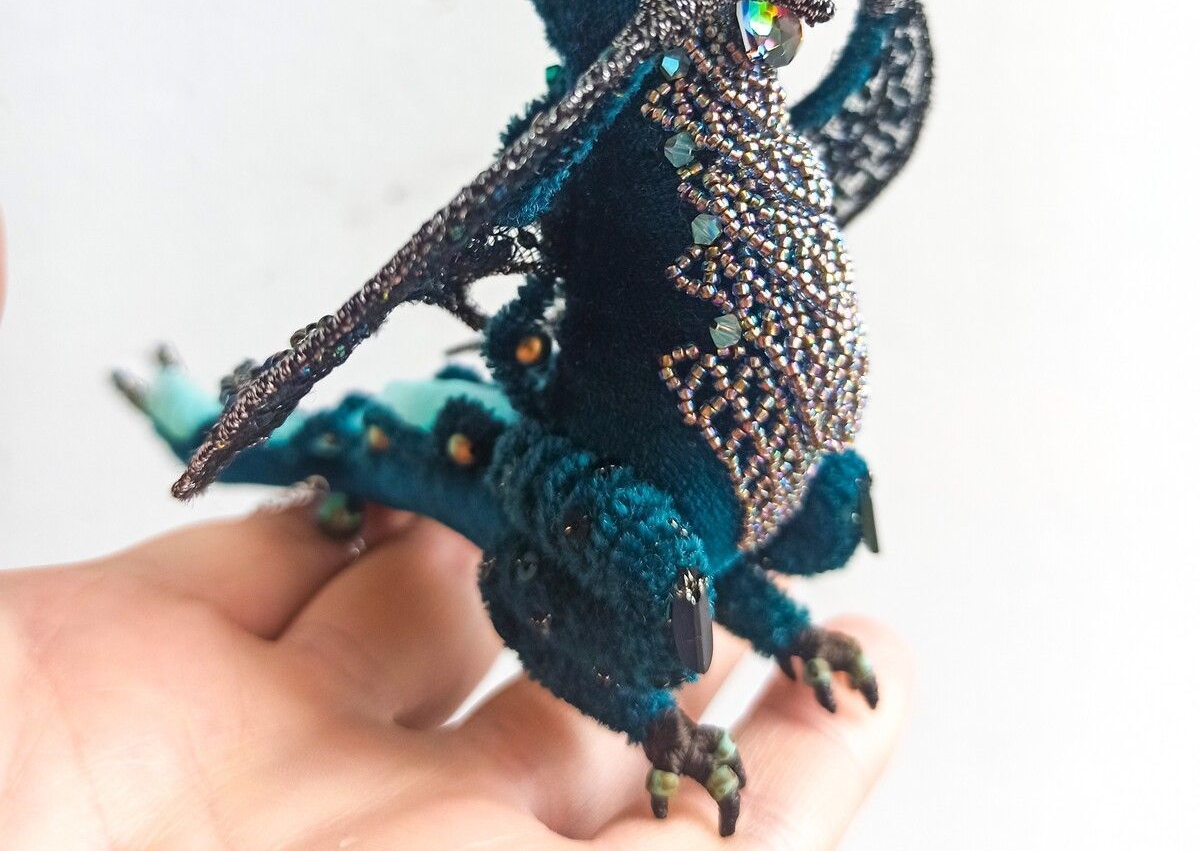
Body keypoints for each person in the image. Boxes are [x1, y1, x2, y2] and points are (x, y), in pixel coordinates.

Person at [0, 214, 909, 849]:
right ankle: (182, 408)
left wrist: (791, 636)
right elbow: (535, 604)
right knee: (311, 448)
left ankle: (201, 411)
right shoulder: (644, 510)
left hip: (500, 441)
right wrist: (655, 724)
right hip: (438, 440)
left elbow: (717, 565)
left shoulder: (732, 493)